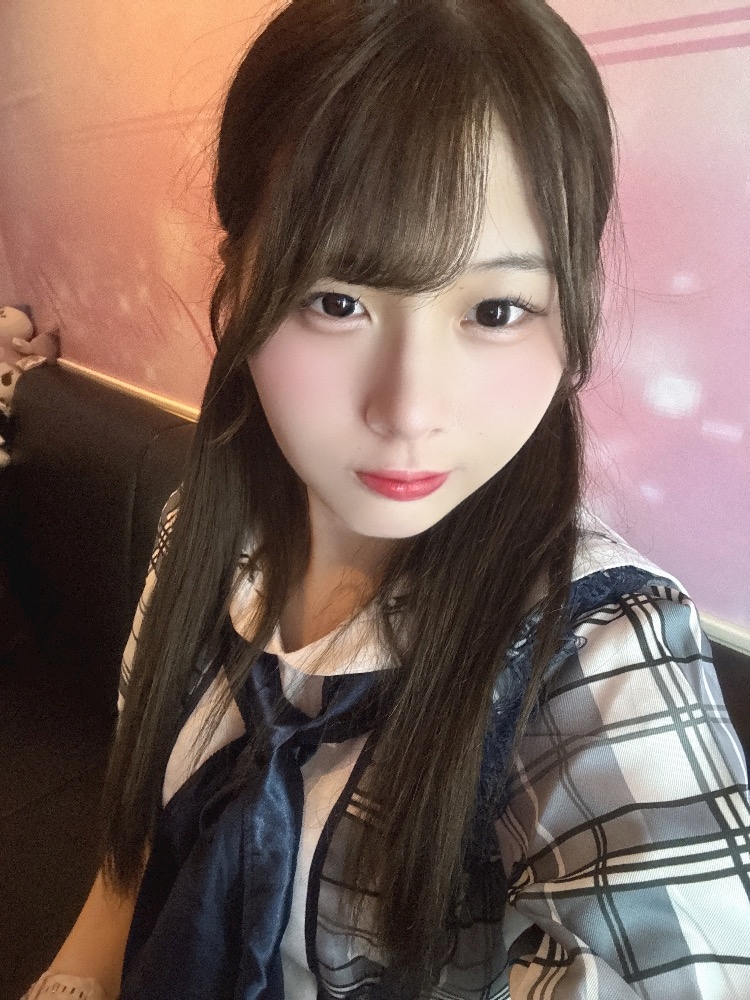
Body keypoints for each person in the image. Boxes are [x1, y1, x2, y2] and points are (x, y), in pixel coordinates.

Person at [23, 0, 750, 997]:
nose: (409, 410)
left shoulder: (599, 655)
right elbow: (132, 857)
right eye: (338, 301)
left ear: (572, 308)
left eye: (496, 309)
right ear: (237, 290)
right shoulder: (204, 531)